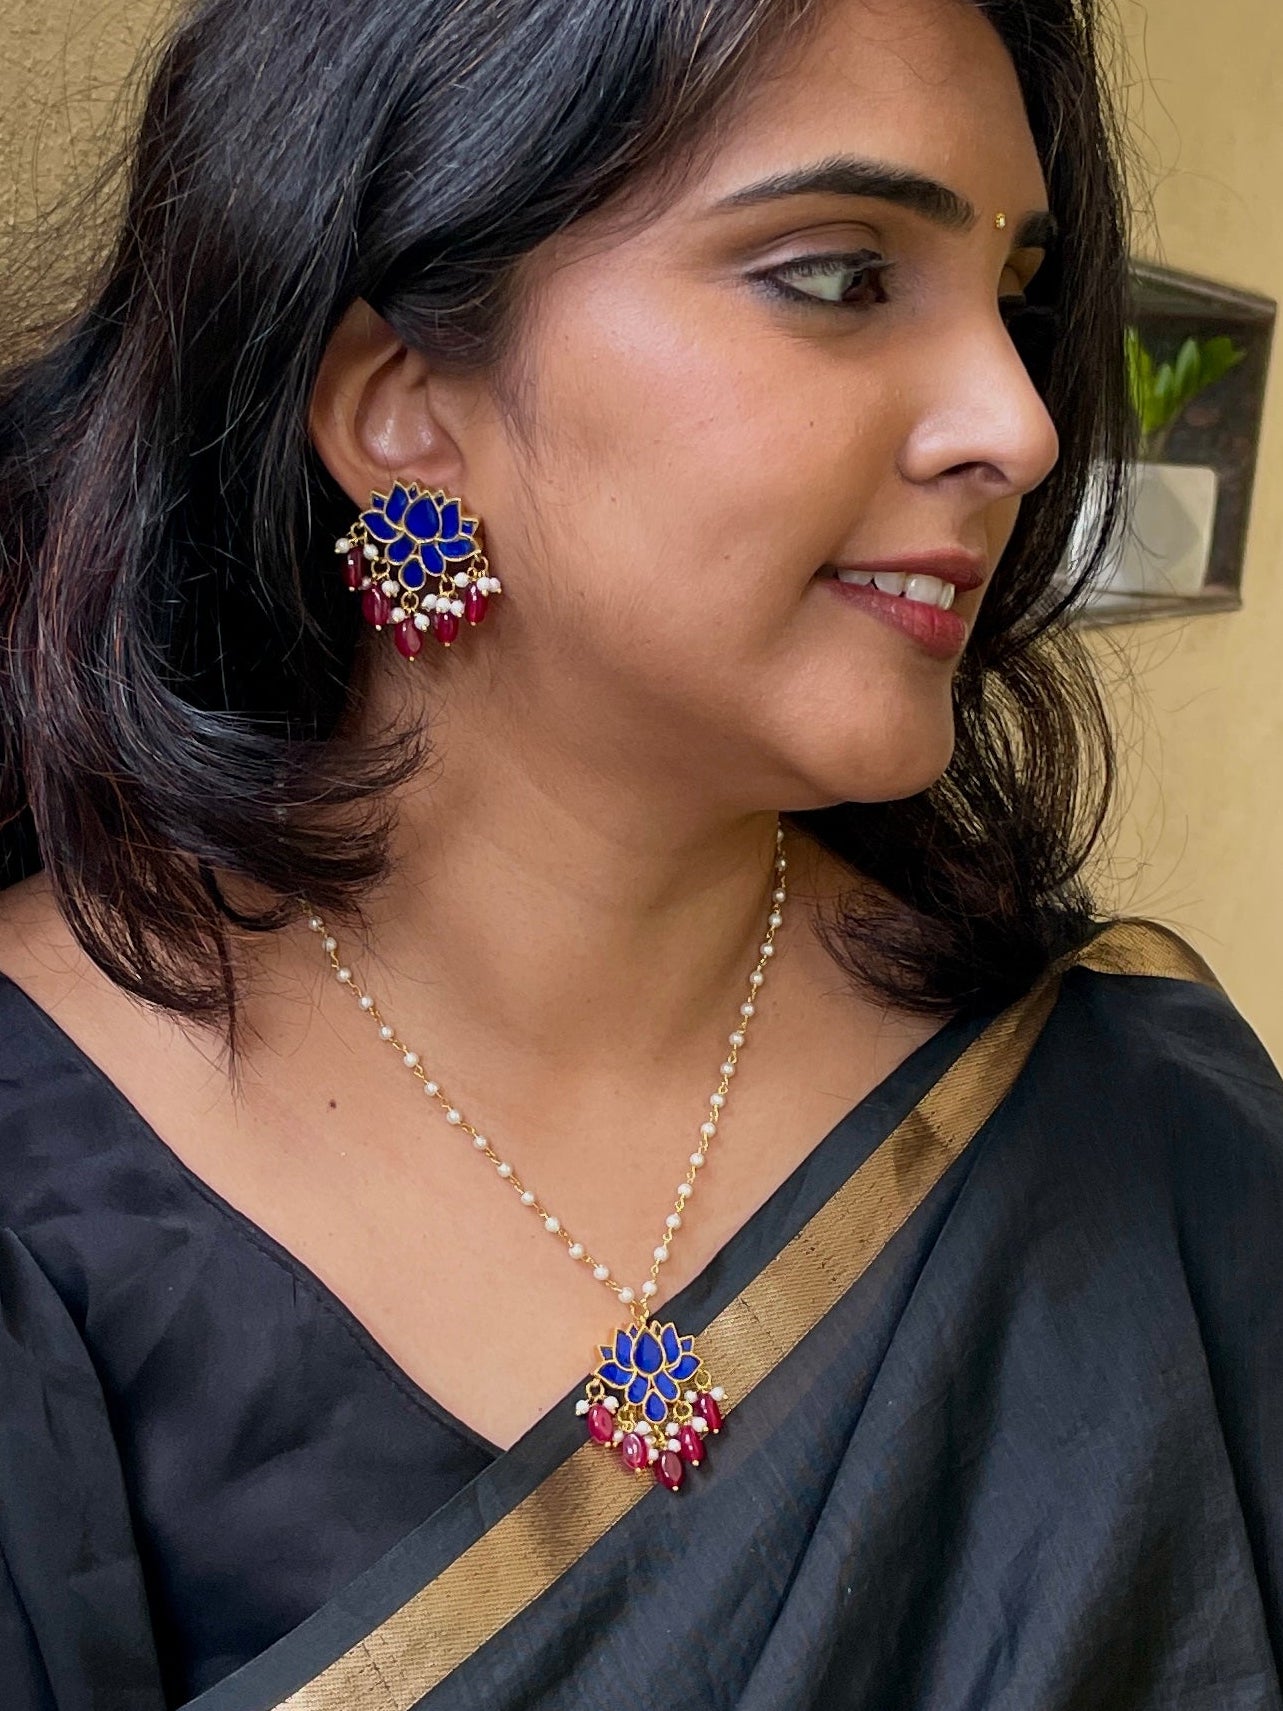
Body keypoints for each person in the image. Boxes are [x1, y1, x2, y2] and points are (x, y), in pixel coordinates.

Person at [0, 0, 1279, 1704]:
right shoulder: (42, 1178)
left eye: (1018, 301)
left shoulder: (1134, 1122)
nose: (1023, 426)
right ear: (401, 409)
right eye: (841, 275)